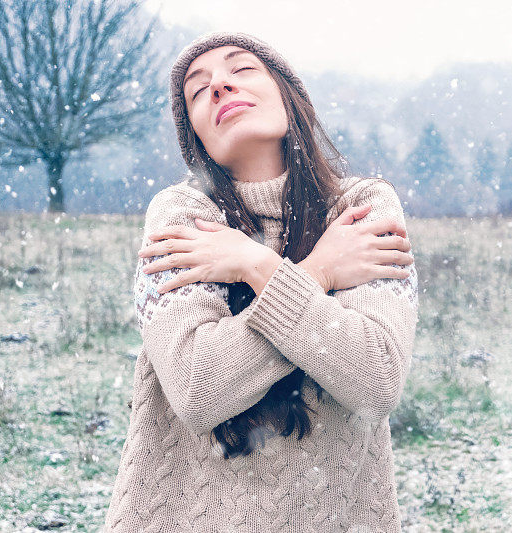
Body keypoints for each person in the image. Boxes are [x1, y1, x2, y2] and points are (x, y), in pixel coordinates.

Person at [103, 31, 419, 532]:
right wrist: (320, 272)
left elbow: (375, 380)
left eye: (241, 69)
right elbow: (198, 389)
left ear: (287, 95)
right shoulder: (182, 217)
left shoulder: (361, 210)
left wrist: (255, 265)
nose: (219, 87)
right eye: (197, 89)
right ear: (197, 138)